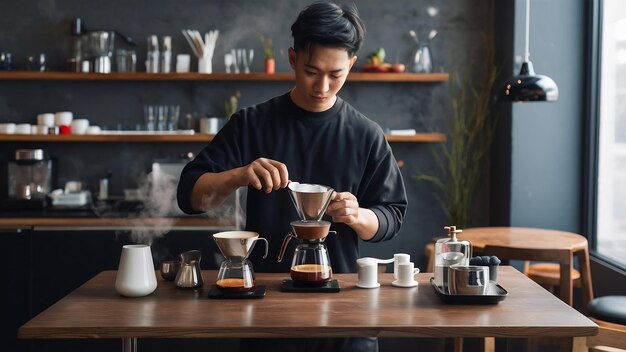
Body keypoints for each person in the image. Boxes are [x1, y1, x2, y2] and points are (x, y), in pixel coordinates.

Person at [177, 2, 407, 351]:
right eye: (312, 71)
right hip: (265, 309)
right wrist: (239, 175)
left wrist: (360, 216)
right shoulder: (251, 124)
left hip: (344, 309)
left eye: (336, 75)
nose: (323, 87)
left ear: (352, 65)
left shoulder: (366, 134)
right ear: (292, 58)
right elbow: (189, 196)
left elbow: (393, 215)